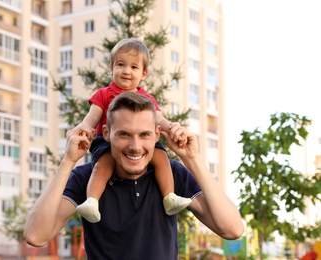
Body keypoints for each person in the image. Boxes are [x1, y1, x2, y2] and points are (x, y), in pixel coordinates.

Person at [24, 92, 245, 260]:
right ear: (107, 134)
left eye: (144, 135)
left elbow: (233, 229)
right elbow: (36, 236)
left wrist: (193, 160)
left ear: (157, 135)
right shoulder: (85, 178)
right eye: (124, 134)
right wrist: (68, 162)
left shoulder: (173, 174)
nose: (135, 146)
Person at [75, 38, 191, 223]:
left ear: (143, 73)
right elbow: (92, 117)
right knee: (102, 165)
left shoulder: (147, 99)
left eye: (134, 67)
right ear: (111, 68)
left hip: (139, 140)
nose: (127, 71)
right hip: (106, 141)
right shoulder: (104, 94)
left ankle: (169, 196)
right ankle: (92, 201)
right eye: (121, 65)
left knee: (161, 157)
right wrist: (83, 130)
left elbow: (160, 119)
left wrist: (173, 129)